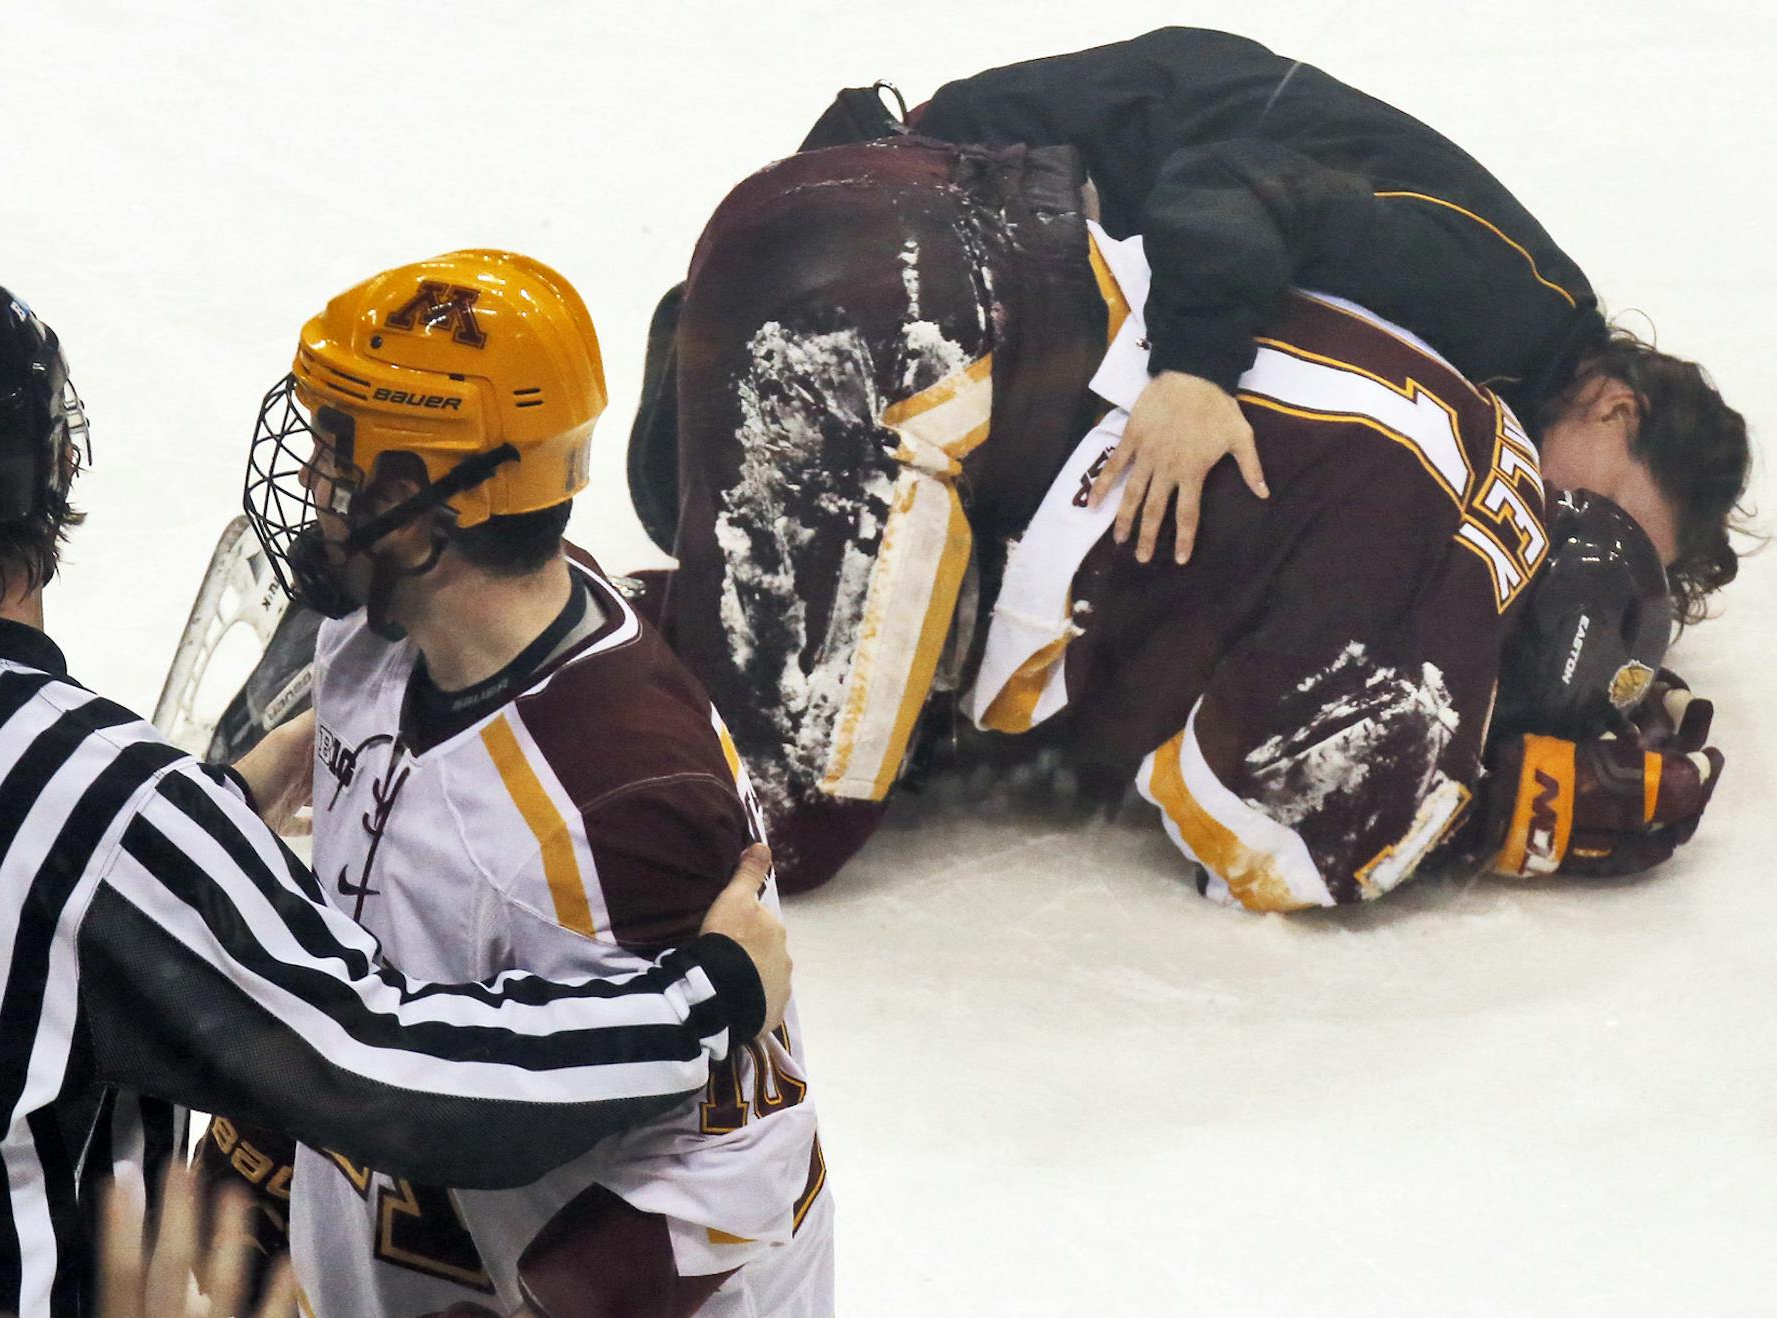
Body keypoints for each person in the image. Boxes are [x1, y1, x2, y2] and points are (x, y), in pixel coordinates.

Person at [0, 276, 795, 1318]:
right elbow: (386, 1075)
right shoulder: (109, 808)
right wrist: (705, 997)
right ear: (61, 471)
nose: (308, 479)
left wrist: (204, 830)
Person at [641, 134, 1724, 906]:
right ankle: (527, 636)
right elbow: (1271, 830)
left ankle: (681, 499)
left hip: (907, 205)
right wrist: (1519, 808)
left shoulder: (1473, 383)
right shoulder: (1472, 543)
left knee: (933, 689)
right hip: (903, 322)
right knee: (772, 828)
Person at [195, 252, 833, 1317]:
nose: (311, 485)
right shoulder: (379, 632)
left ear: (418, 506)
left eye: (336, 455)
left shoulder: (615, 805)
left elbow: (741, 1160)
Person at [629, 26, 1749, 625]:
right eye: (1596, 504)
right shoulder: (1508, 307)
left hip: (1028, 220)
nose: (1568, 529)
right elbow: (1230, 184)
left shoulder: (1514, 369)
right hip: (963, 193)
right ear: (1618, 403)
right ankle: (727, 339)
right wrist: (1195, 373)